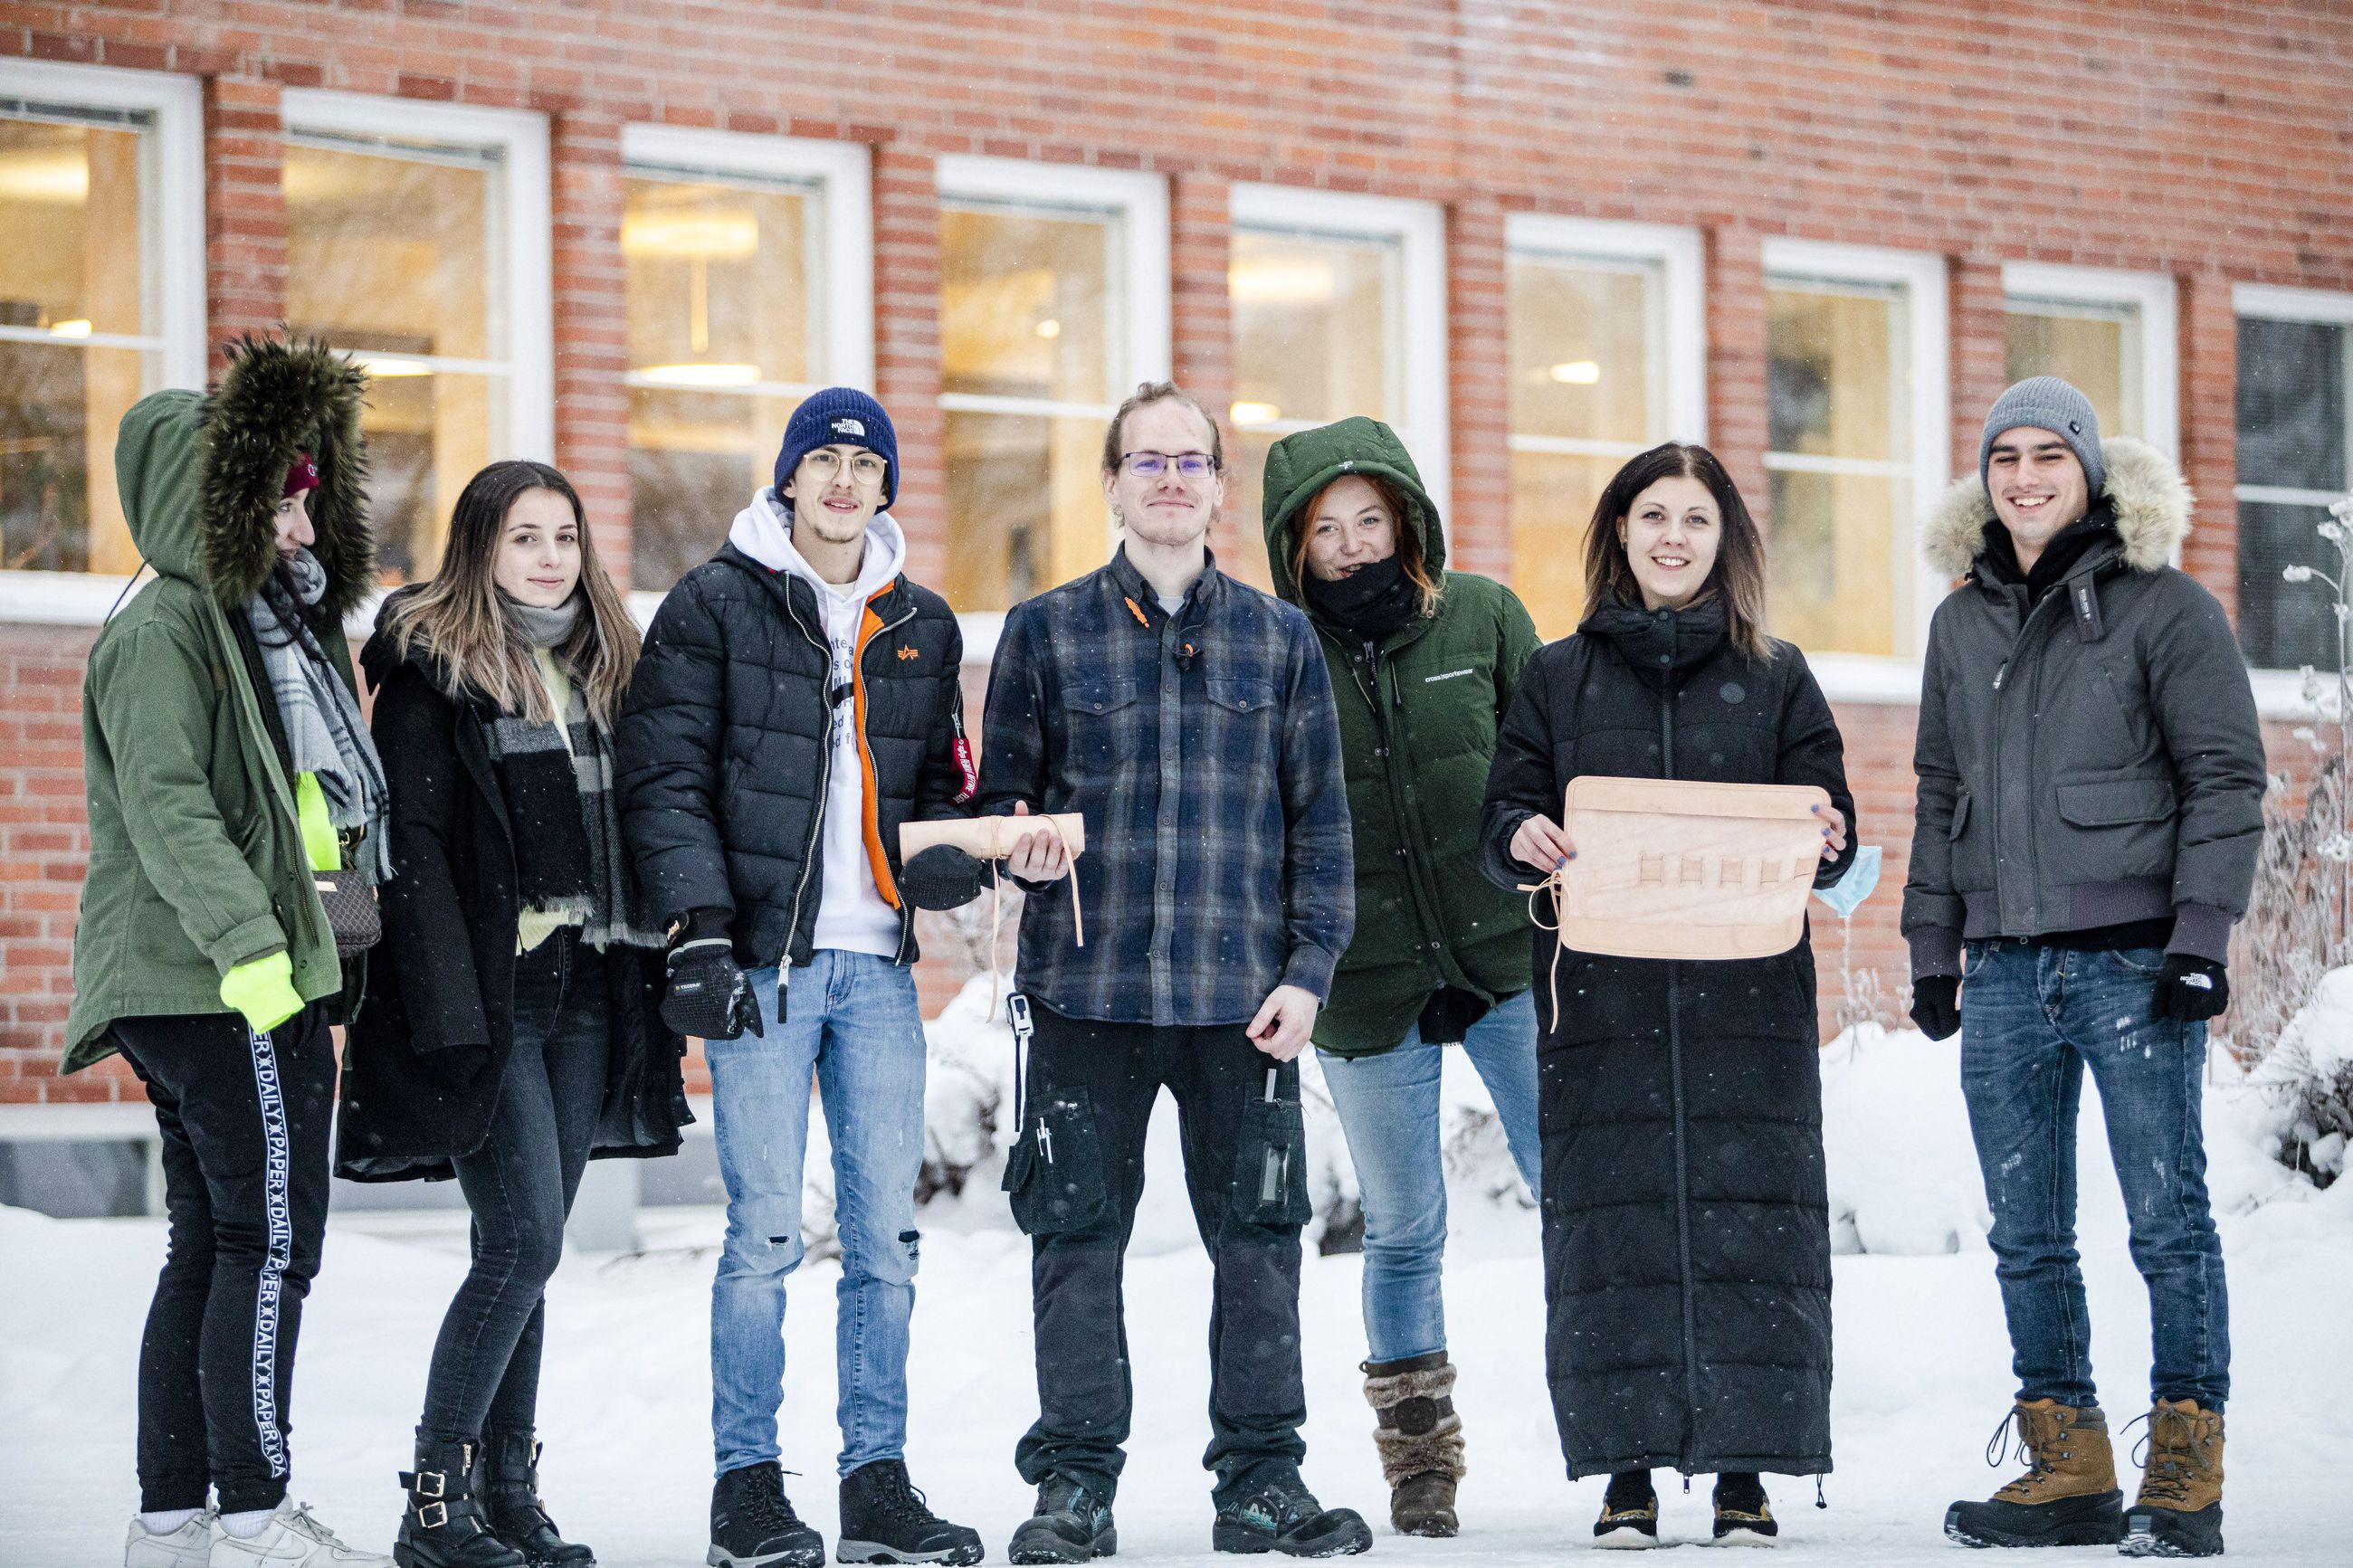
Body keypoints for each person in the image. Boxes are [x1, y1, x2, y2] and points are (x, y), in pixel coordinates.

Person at [976, 381, 1368, 1563]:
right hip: (1084, 996)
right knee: (1077, 1241)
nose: (1167, 481)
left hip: (1239, 1002)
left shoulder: (1280, 639)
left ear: (1216, 486)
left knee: (1259, 1240)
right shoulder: (1044, 633)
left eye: (1189, 462)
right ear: (1109, 483)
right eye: (1145, 462)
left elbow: (1322, 829)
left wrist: (1308, 972)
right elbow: (1001, 803)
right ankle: (1077, 1489)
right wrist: (1022, 843)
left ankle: (1260, 1483)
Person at [616, 388, 986, 1568]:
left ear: (885, 486)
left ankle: (876, 1483)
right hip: (762, 971)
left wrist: (976, 848)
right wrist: (701, 930)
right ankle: (749, 1489)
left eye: (862, 462)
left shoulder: (921, 619)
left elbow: (937, 788)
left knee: (886, 1243)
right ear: (788, 478)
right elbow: (665, 777)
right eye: (820, 459)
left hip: (878, 968)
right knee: (764, 1235)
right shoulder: (714, 604)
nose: (841, 479)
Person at [1906, 380, 2265, 1560]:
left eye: (2048, 454)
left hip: (2132, 966)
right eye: (2004, 455)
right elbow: (1940, 794)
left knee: (2166, 1220)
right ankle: (2069, 1467)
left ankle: (2185, 1470)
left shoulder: (2167, 609)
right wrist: (1930, 949)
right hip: (2005, 968)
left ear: (2090, 470)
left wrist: (2202, 939)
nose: (2023, 475)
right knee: (2027, 1231)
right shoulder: (1959, 623)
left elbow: (2226, 779)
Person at [1480, 442, 1854, 1549]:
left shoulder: (1778, 673)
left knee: (1755, 1226)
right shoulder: (1557, 675)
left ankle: (1747, 1468)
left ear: (1723, 538)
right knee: (1612, 1232)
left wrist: (1829, 832)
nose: (1672, 538)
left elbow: (1829, 824)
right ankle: (1624, 1470)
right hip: (1603, 1003)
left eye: (1694, 518)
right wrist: (1519, 832)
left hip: (1748, 1005)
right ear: (1619, 533)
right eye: (1652, 516)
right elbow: (1502, 812)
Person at [66, 337, 395, 1568]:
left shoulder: (251, 627)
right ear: (197, 501)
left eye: (307, 497)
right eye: (275, 499)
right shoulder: (168, 633)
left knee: (211, 1237)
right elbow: (170, 807)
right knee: (269, 1240)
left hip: (227, 975)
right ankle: (255, 1513)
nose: (301, 525)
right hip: (217, 981)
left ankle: (174, 1519)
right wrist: (259, 958)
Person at [334, 461, 691, 1567]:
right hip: (493, 997)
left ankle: (507, 1489)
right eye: (525, 536)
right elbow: (417, 856)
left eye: (567, 537)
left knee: (524, 1245)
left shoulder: (610, 664)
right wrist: (445, 1007)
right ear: (479, 546)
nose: (550, 557)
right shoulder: (435, 672)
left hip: (590, 987)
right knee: (526, 1240)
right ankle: (433, 1502)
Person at [1258, 416, 1543, 1537]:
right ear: (1292, 543)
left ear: (1406, 517)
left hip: (1510, 956)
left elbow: (1545, 761)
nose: (1350, 543)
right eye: (1323, 528)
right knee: (1403, 1227)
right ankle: (1419, 1457)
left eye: (1369, 518)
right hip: (1365, 975)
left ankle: (1616, 1421)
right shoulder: (1277, 648)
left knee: (1573, 1187)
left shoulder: (1481, 614)